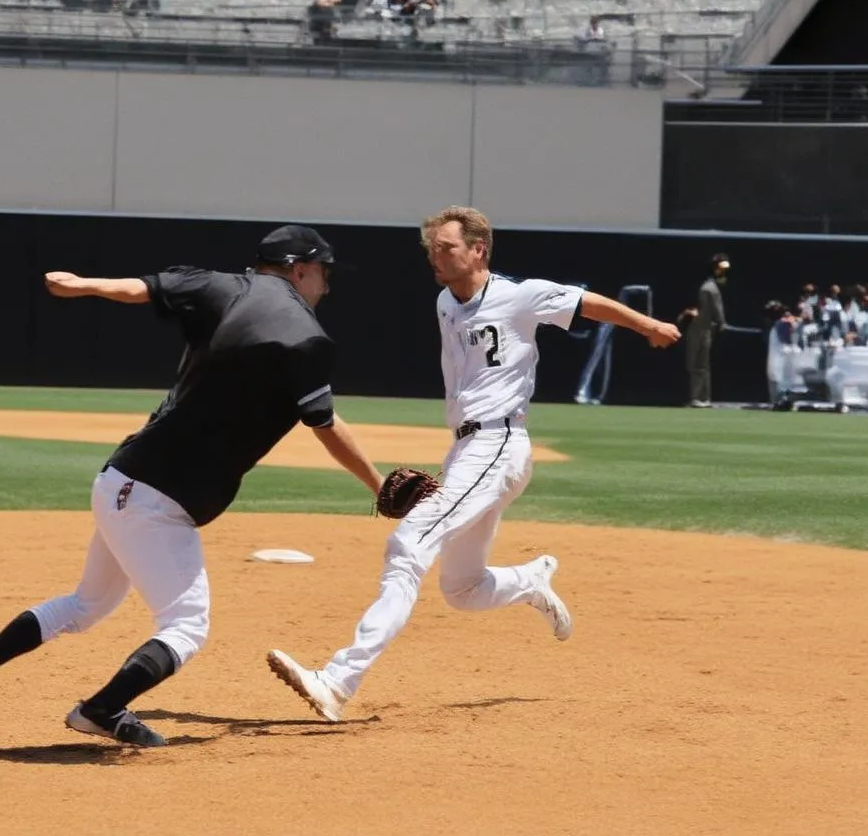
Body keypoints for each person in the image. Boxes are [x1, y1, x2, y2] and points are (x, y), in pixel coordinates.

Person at [0, 225, 383, 748]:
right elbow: (322, 421)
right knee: (187, 626)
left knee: (84, 606)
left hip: (122, 478)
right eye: (323, 272)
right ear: (299, 268)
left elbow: (140, 287)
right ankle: (101, 709)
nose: (326, 284)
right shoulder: (306, 335)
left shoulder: (218, 286)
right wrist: (377, 483)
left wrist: (82, 284)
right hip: (156, 499)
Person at [265, 206, 680, 721]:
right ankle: (530, 582)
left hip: (498, 444)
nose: (435, 256)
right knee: (463, 589)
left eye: (447, 247)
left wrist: (649, 325)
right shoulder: (445, 301)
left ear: (478, 250)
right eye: (432, 248)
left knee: (408, 544)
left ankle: (338, 680)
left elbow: (586, 303)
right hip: (465, 450)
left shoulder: (519, 295)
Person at [685, 253, 729, 407]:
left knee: (702, 364)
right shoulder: (708, 288)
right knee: (697, 363)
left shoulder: (712, 287)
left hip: (705, 329)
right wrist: (721, 322)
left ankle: (702, 398)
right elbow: (715, 309)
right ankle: (698, 398)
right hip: (700, 329)